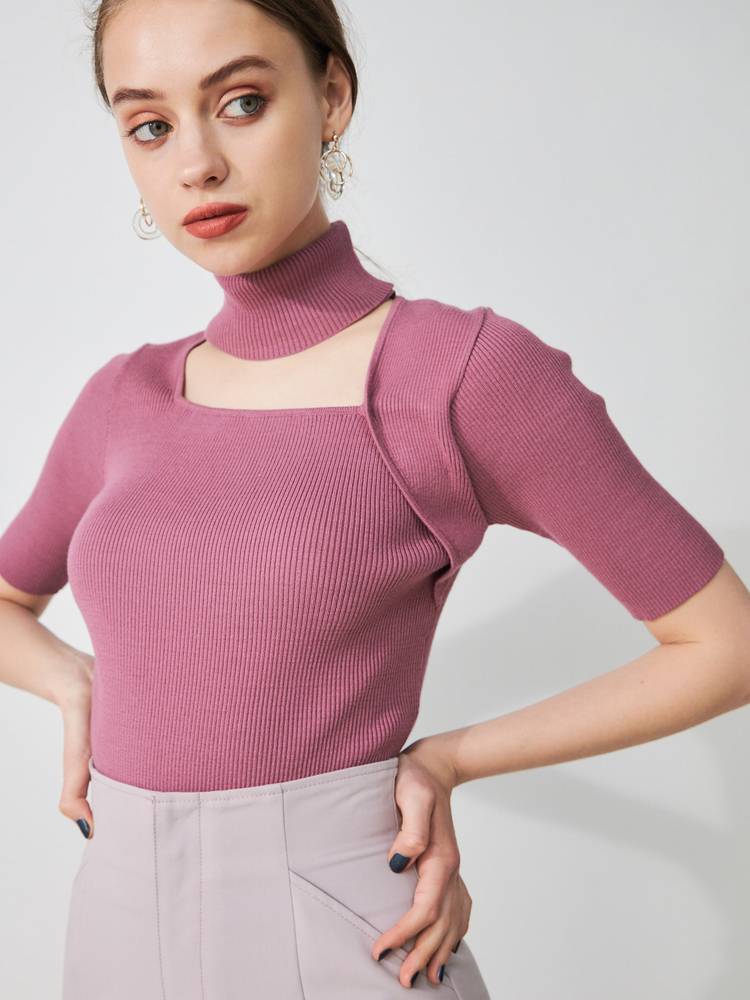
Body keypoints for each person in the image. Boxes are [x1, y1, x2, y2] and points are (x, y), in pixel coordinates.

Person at [0, 1, 746, 997]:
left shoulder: (460, 376)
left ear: (332, 96)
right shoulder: (123, 397)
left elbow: (725, 644)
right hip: (116, 928)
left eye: (242, 102)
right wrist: (77, 682)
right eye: (150, 125)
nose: (198, 164)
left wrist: (450, 759)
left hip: (347, 920)